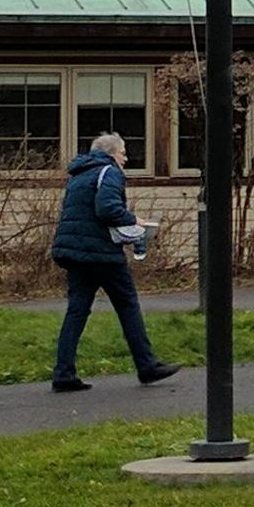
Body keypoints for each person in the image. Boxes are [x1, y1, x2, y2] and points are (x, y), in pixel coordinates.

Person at [50, 129, 176, 391]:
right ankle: (147, 365)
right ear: (111, 154)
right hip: (102, 253)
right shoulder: (110, 172)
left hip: (74, 251)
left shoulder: (78, 175)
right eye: (123, 153)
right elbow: (107, 209)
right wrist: (135, 221)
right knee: (127, 304)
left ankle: (63, 373)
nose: (125, 159)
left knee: (76, 310)